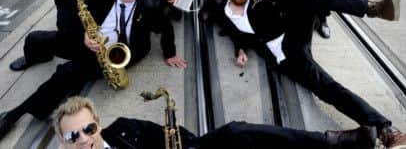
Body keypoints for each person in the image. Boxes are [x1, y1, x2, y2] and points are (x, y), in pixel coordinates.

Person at [218, 0, 406, 148]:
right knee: (329, 88)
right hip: (286, 59)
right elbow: (236, 33)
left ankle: (374, 8)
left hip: (293, 34)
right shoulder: (225, 13)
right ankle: (387, 132)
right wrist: (241, 49)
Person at [0, 0, 187, 140]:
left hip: (117, 53)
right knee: (36, 38)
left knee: (65, 73)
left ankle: (15, 115)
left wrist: (170, 53)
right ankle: (36, 58)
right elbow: (76, 13)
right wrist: (83, 35)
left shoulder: (151, 4)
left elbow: (166, 26)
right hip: (90, 39)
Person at [52, 95, 381, 149]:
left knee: (237, 131)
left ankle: (333, 141)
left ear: (98, 122)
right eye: (72, 137)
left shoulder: (124, 126)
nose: (83, 140)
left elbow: (174, 136)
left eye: (88, 129)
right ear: (62, 142)